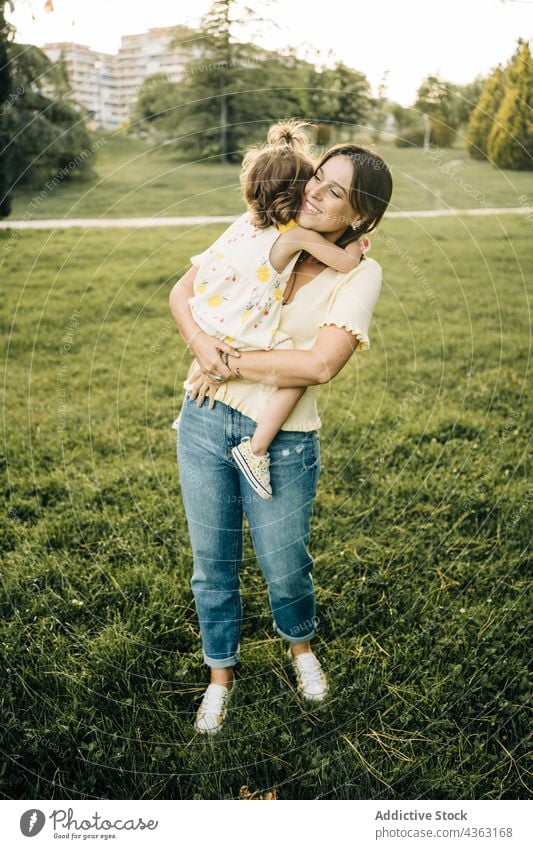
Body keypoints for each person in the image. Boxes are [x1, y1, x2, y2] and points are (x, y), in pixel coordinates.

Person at [169, 138, 393, 734]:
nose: (315, 192)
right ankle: (220, 676)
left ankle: (300, 648)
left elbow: (319, 365)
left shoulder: (362, 273)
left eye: (335, 191)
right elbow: (184, 292)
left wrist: (229, 359)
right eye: (317, 178)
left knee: (284, 564)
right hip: (203, 417)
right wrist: (200, 347)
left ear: (360, 216)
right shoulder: (263, 224)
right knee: (211, 564)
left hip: (285, 437)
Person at [186, 120, 369, 499]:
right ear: (298, 191)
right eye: (313, 182)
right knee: (294, 358)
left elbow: (185, 286)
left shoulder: (249, 223)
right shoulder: (295, 234)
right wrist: (356, 246)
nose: (314, 194)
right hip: (239, 333)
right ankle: (255, 450)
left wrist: (209, 352)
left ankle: (252, 446)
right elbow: (345, 263)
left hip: (215, 316)